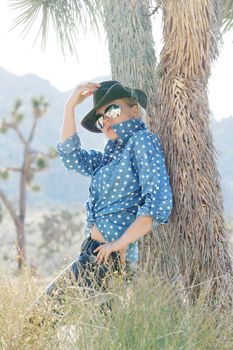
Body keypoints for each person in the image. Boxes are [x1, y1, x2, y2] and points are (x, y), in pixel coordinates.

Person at [32, 80, 173, 320]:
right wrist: (70, 107)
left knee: (40, 318)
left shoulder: (141, 141)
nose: (106, 120)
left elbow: (159, 204)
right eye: (100, 119)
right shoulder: (110, 157)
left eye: (112, 110)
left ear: (134, 110)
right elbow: (72, 157)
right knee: (98, 336)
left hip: (108, 258)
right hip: (93, 252)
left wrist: (119, 243)